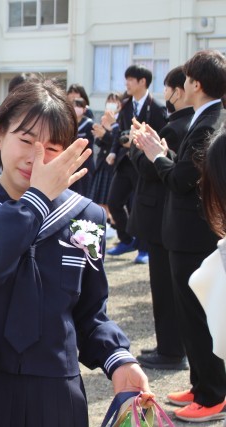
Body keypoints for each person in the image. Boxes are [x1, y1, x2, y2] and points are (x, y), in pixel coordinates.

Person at [0, 79, 150, 426]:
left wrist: (119, 359)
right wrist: (36, 200)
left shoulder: (85, 216)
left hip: (57, 393)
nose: (37, 157)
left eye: (53, 147)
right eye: (26, 140)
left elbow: (90, 311)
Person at [134, 49, 226, 423]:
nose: (181, 84)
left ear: (196, 84)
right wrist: (164, 152)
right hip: (188, 232)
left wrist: (156, 155)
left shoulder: (207, 123)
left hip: (192, 234)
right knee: (191, 315)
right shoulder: (207, 118)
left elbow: (181, 179)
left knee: (198, 316)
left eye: (186, 78)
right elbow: (186, 171)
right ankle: (200, 384)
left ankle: (213, 394)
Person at [128, 65, 192, 371]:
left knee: (164, 287)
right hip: (174, 216)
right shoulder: (191, 123)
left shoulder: (175, 127)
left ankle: (170, 350)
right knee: (172, 286)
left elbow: (151, 168)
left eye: (168, 87)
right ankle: (171, 347)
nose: (164, 93)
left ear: (178, 91)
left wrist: (136, 147)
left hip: (161, 215)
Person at [106, 65, 167, 264]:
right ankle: (126, 240)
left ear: (142, 82)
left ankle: (144, 248)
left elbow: (161, 137)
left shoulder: (157, 108)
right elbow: (120, 132)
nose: (127, 84)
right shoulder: (125, 105)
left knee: (139, 206)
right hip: (125, 162)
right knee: (113, 202)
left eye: (131, 79)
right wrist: (114, 151)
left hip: (144, 164)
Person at [89, 92, 122, 220]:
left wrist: (105, 135)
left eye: (114, 101)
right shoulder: (104, 119)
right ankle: (103, 223)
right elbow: (98, 142)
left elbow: (118, 141)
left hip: (113, 165)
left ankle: (111, 223)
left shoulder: (120, 120)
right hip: (102, 163)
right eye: (109, 101)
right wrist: (100, 135)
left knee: (110, 200)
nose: (111, 104)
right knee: (98, 200)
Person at [70, 96, 95, 196]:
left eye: (79, 106)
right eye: (74, 106)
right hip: (71, 159)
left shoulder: (89, 124)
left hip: (85, 160)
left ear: (84, 109)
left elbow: (90, 142)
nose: (76, 108)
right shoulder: (69, 123)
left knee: (84, 187)